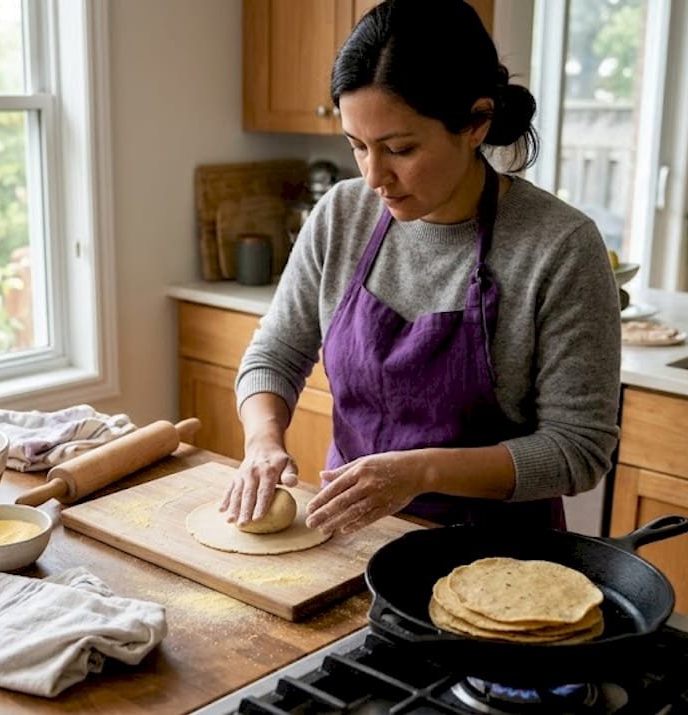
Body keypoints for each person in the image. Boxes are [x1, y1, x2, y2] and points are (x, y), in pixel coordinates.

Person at [220, 0, 621, 535]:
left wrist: (421, 472)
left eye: (400, 148)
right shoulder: (342, 215)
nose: (373, 177)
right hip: (354, 540)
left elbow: (579, 449)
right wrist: (263, 441)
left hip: (502, 568)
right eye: (357, 146)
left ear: (476, 123)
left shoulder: (559, 247)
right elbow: (275, 352)